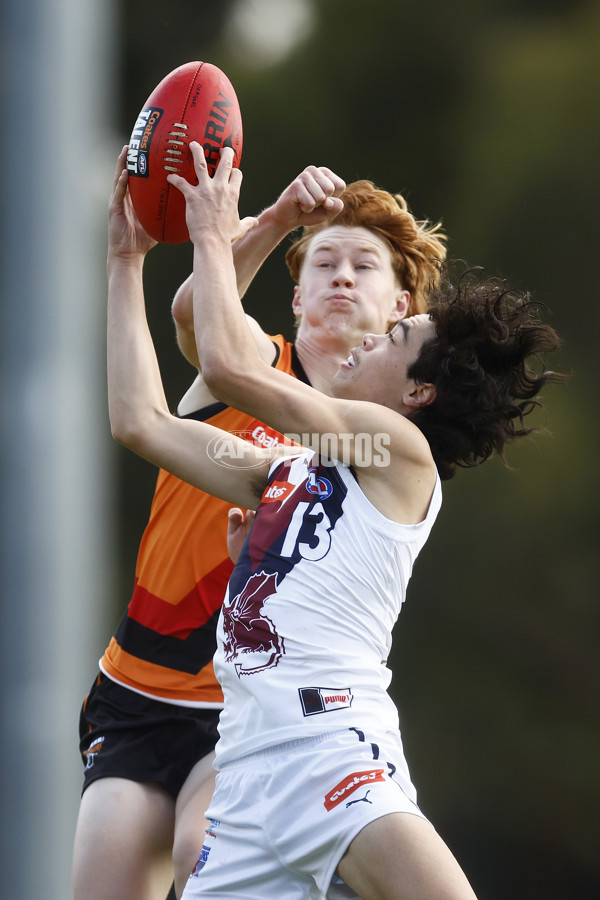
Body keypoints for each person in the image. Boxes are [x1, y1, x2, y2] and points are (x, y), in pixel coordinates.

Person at [106, 142, 563, 900]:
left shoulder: (394, 450)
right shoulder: (292, 469)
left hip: (330, 751)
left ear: (417, 395)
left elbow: (227, 369)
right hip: (247, 785)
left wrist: (216, 233)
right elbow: (139, 422)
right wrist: (124, 264)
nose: (378, 336)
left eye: (396, 338)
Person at [73, 146, 447, 900]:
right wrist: (271, 221)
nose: (341, 275)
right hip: (143, 681)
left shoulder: (381, 447)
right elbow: (192, 332)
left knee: (195, 847)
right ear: (296, 298)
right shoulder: (256, 363)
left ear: (403, 310)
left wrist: (219, 229)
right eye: (322, 263)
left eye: (363, 266)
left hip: (254, 708)